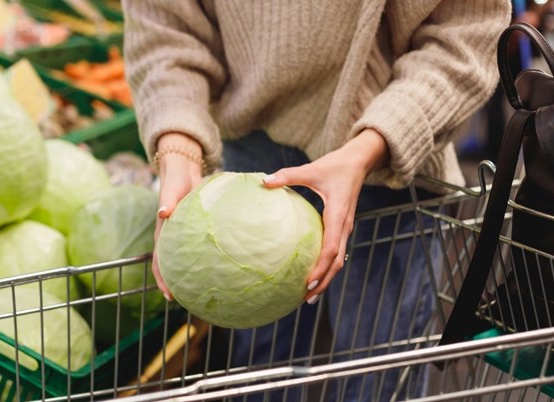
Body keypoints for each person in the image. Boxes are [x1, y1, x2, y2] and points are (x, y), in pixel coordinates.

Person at [123, 2, 511, 401]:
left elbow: (466, 32)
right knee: (260, 367)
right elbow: (165, 29)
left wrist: (369, 148)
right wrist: (179, 145)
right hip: (250, 166)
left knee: (377, 366)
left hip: (385, 155)